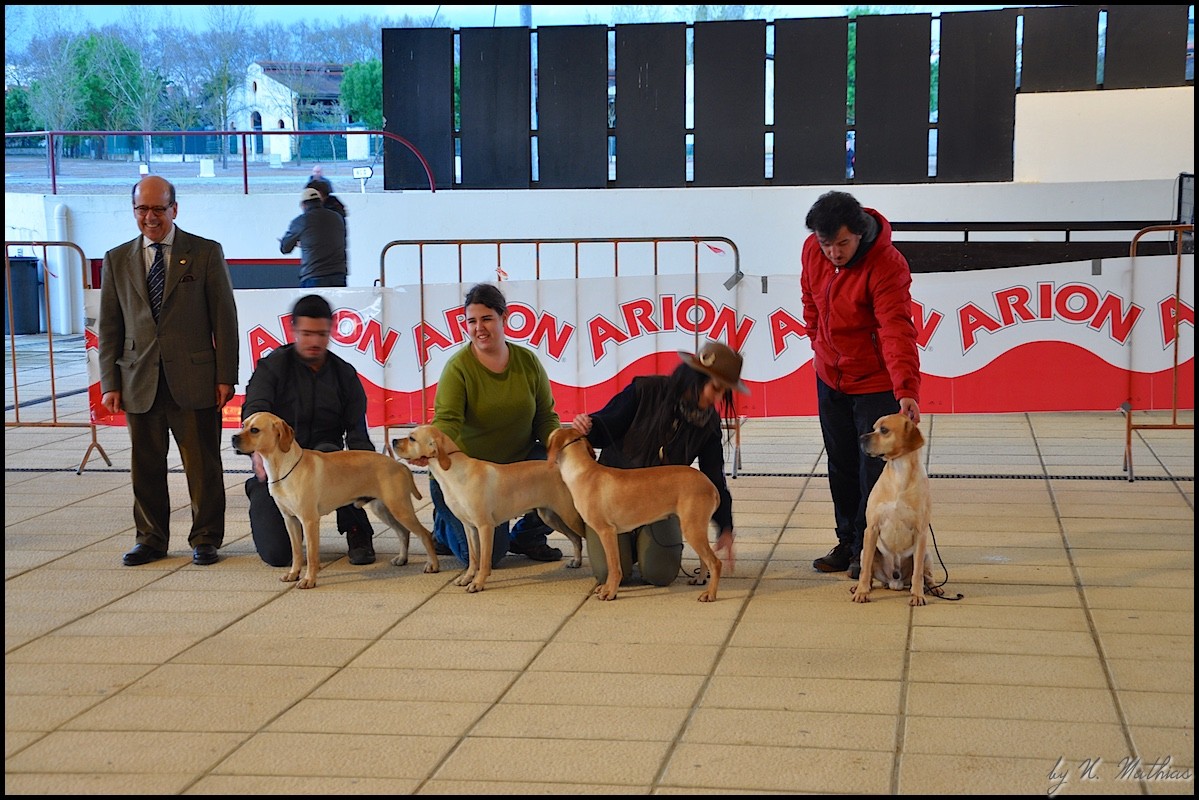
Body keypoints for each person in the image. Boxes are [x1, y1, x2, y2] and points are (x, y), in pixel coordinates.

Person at [98, 175, 239, 567]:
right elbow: (110, 326)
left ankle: (206, 538)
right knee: (145, 467)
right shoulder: (116, 259)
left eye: (158, 208)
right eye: (142, 209)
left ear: (174, 209)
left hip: (195, 379)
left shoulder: (205, 252)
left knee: (203, 465)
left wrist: (225, 375)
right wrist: (110, 381)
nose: (150, 217)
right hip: (138, 379)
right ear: (134, 211)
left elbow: (224, 318)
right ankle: (150, 539)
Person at [801, 190, 921, 581]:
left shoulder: (887, 264)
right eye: (826, 244)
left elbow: (896, 328)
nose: (833, 253)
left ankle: (867, 550)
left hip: (873, 380)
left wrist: (906, 388)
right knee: (840, 463)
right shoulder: (813, 250)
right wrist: (817, 340)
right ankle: (847, 541)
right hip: (830, 375)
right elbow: (810, 300)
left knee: (872, 468)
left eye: (842, 244)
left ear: (859, 233)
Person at [570, 342, 746, 586]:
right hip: (613, 500)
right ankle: (628, 546)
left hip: (658, 505)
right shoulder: (645, 390)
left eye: (724, 393)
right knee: (605, 574)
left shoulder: (709, 423)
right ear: (694, 378)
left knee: (659, 574)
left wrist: (725, 527)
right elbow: (606, 425)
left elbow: (714, 476)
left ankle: (641, 545)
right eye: (715, 388)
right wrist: (588, 426)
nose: (716, 398)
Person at [422, 282, 564, 566]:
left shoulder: (528, 361)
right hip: (470, 478)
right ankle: (443, 528)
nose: (479, 328)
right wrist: (429, 447)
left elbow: (545, 417)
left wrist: (564, 446)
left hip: (515, 467)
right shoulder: (458, 368)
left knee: (561, 471)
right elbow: (447, 421)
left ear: (504, 318)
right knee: (487, 557)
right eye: (471, 321)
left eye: (487, 319)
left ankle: (528, 536)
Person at [240, 294, 378, 567]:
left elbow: (357, 432)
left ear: (331, 331)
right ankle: (261, 493)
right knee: (277, 555)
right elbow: (255, 410)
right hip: (279, 465)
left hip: (327, 462)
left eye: (321, 334)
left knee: (336, 459)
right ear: (293, 330)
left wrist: (369, 472)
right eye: (307, 334)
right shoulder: (272, 368)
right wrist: (256, 454)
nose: (314, 341)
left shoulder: (344, 374)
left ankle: (356, 528)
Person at [280, 187, 348, 287]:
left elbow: (285, 248)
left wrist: (299, 243)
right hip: (338, 275)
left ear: (303, 205)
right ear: (321, 201)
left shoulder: (302, 221)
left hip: (314, 275)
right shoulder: (337, 217)